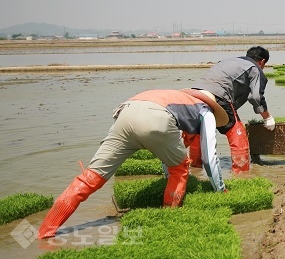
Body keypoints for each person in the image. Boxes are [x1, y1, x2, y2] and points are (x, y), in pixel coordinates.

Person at [37, 88, 229, 239]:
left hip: (126, 113)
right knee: (179, 170)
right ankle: (168, 217)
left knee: (90, 178)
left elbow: (167, 147)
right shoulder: (206, 111)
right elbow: (210, 156)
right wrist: (220, 190)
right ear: (211, 105)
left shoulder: (175, 98)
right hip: (156, 118)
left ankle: (45, 231)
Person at [196, 46, 275, 173]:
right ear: (262, 61)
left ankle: (195, 168)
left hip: (196, 94)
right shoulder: (255, 69)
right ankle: (242, 172)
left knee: (197, 131)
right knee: (237, 132)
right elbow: (255, 97)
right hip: (219, 95)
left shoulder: (228, 61)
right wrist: (268, 117)